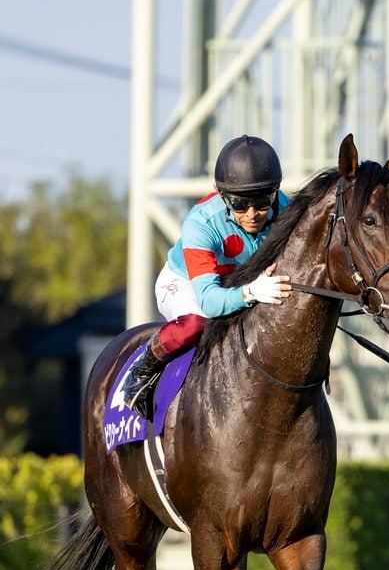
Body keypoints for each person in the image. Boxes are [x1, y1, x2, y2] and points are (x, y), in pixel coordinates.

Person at [121, 135, 293, 417]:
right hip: (188, 284)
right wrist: (251, 293)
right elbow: (211, 302)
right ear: (222, 196)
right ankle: (143, 368)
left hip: (242, 281)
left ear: (275, 193)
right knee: (197, 324)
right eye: (238, 204)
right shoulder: (201, 224)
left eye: (262, 202)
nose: (252, 214)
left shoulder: (287, 209)